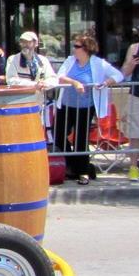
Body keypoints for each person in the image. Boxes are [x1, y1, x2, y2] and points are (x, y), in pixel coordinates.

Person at [54, 34, 122, 185]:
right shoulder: (70, 60)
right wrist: (74, 82)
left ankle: (82, 171)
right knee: (59, 135)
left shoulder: (98, 63)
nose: (74, 49)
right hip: (66, 105)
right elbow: (60, 76)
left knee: (81, 139)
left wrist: (106, 82)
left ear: (86, 49)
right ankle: (73, 165)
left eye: (77, 47)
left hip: (86, 107)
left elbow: (118, 75)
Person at [121, 21, 139, 180]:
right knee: (135, 133)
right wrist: (131, 64)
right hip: (136, 95)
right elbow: (124, 72)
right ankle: (133, 167)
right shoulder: (134, 48)